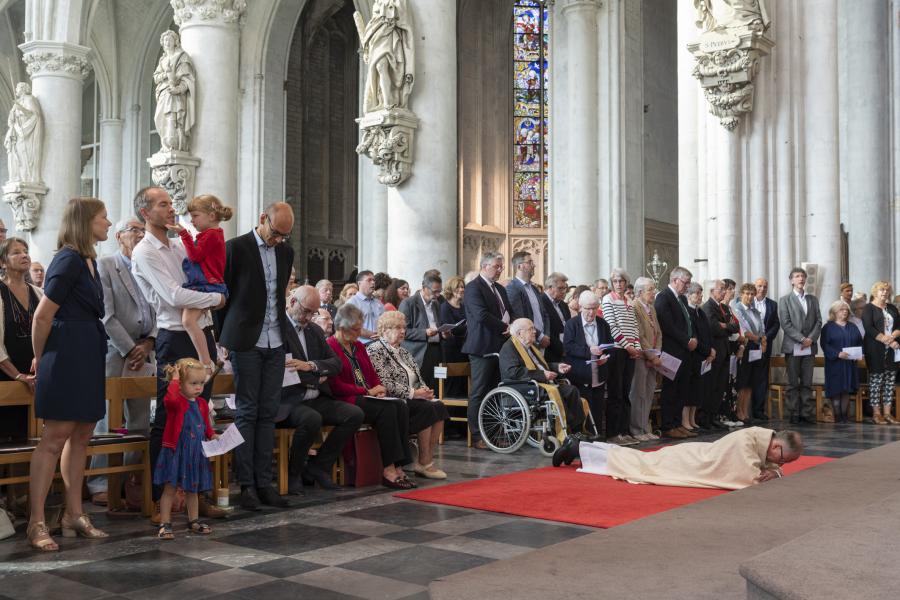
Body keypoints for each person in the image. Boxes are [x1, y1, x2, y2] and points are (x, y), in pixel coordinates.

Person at [131, 187, 226, 524]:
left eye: (171, 203)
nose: (172, 209)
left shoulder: (175, 243)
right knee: (171, 418)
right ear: (145, 212)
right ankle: (163, 502)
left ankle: (196, 497)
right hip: (175, 337)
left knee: (200, 416)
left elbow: (199, 277)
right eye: (163, 204)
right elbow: (173, 295)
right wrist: (216, 300)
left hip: (202, 332)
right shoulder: (145, 251)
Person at [27, 197, 111, 551]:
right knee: (55, 437)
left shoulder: (89, 260)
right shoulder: (67, 259)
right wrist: (41, 358)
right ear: (85, 222)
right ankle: (36, 522)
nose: (108, 223)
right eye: (103, 218)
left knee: (82, 435)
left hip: (87, 351)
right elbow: (42, 316)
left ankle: (73, 514)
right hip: (65, 354)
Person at [218, 201, 294, 510]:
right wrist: (225, 340)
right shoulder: (235, 247)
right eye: (276, 233)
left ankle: (266, 483)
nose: (278, 240)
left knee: (268, 412)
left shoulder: (285, 253)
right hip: (245, 340)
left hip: (276, 341)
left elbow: (278, 298)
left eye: (284, 236)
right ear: (263, 218)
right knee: (248, 412)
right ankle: (247, 485)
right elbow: (224, 297)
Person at [88, 217, 157, 508]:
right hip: (116, 351)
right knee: (108, 419)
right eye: (135, 230)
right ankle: (101, 482)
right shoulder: (105, 265)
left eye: (143, 230)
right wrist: (130, 349)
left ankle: (129, 480)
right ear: (119, 236)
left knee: (140, 420)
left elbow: (159, 304)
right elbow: (105, 314)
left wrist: (150, 340)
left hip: (145, 348)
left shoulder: (148, 264)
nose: (141, 235)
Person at [278, 285, 362, 493]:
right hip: (289, 399)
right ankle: (294, 473)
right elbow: (286, 370)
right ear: (292, 302)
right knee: (311, 419)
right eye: (306, 311)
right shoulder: (278, 330)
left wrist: (311, 367)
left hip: (315, 397)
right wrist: (318, 375)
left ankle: (318, 467)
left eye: (313, 313)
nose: (308, 317)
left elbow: (336, 364)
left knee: (353, 414)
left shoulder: (314, 330)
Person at [326, 304, 417, 489]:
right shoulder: (331, 346)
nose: (360, 333)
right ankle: (388, 468)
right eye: (356, 329)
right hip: (347, 398)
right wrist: (367, 391)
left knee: (399, 405)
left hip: (367, 395)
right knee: (387, 410)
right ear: (342, 328)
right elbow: (336, 386)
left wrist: (378, 387)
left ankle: (399, 466)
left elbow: (372, 373)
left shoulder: (358, 345)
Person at [554, 427, 804, 490]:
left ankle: (582, 448)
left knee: (640, 460)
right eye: (783, 459)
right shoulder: (747, 442)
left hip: (694, 456)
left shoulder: (764, 441)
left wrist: (777, 472)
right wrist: (774, 474)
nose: (780, 464)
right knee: (639, 464)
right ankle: (578, 447)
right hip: (690, 462)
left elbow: (770, 469)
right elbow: (752, 480)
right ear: (776, 444)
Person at [368, 312, 449, 478]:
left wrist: (425, 391)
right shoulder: (375, 350)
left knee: (439, 406)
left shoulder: (404, 351)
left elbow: (418, 377)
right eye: (398, 328)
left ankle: (426, 459)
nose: (403, 331)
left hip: (414, 397)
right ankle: (425, 463)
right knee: (426, 408)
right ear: (384, 330)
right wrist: (414, 393)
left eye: (404, 328)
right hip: (396, 400)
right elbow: (384, 382)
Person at [167, 194, 231, 375]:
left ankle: (206, 363)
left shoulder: (211, 235)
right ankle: (209, 359)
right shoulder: (212, 234)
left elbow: (195, 255)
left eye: (195, 216)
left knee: (188, 321)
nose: (192, 220)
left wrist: (184, 234)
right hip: (206, 284)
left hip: (207, 285)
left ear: (211, 216)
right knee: (195, 322)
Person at [154, 358, 217, 540]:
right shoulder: (176, 403)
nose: (198, 388)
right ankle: (165, 523)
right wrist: (174, 379)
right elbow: (171, 398)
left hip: (195, 452)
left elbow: (205, 424)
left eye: (201, 383)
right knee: (170, 489)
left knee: (193, 489)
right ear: (180, 384)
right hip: (176, 452)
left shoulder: (201, 404)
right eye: (193, 383)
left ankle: (194, 520)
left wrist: (212, 435)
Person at [461, 251, 513, 449]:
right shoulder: (473, 287)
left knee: (497, 390)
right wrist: (504, 327)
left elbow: (508, 310)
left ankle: (492, 433)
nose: (500, 270)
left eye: (501, 267)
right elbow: (481, 315)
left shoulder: (499, 288)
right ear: (484, 266)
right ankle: (476, 436)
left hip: (500, 346)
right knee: (479, 391)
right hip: (482, 346)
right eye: (496, 266)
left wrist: (515, 325)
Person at [501, 318, 585, 437]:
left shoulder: (530, 346)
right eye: (531, 329)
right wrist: (542, 375)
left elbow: (542, 366)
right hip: (525, 388)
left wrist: (557, 367)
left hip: (540, 385)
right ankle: (568, 432)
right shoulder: (509, 348)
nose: (535, 332)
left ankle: (577, 432)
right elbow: (514, 372)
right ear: (520, 333)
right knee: (566, 392)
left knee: (572, 391)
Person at [0, 238, 41, 443]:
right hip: (5, 376)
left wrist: (41, 357)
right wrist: (17, 375)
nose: (24, 255)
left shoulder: (39, 293)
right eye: (16, 252)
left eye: (25, 251)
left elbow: (49, 333)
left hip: (35, 376)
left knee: (30, 436)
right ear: (3, 263)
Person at [654, 267, 699, 439]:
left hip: (685, 351)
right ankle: (668, 425)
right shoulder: (664, 297)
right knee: (671, 390)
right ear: (675, 280)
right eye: (685, 283)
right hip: (672, 350)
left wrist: (693, 337)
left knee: (682, 389)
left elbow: (689, 321)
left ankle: (677, 424)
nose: (687, 287)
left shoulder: (681, 299)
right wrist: (686, 340)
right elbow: (667, 324)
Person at [564, 291, 614, 440]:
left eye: (594, 308)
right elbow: (568, 347)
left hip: (599, 373)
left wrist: (605, 356)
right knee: (582, 409)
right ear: (580, 307)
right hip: (580, 374)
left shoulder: (603, 324)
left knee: (598, 408)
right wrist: (589, 351)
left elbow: (610, 345)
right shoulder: (572, 324)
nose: (591, 312)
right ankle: (582, 439)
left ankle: (597, 437)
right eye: (587, 308)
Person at [601, 269, 642, 444]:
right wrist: (628, 346)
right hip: (617, 350)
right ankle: (613, 433)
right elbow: (611, 326)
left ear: (626, 283)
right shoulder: (607, 299)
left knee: (626, 392)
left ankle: (625, 431)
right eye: (615, 281)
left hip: (629, 351)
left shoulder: (629, 302)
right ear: (612, 283)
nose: (618, 284)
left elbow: (634, 326)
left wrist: (636, 347)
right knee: (615, 392)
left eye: (621, 281)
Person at [777, 267, 822, 424]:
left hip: (809, 347)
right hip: (793, 346)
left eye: (803, 276)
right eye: (797, 276)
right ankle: (793, 413)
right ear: (791, 280)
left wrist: (810, 338)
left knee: (807, 382)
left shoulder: (813, 300)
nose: (801, 279)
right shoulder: (785, 300)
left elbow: (818, 321)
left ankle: (806, 413)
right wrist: (802, 338)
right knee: (793, 383)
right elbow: (785, 323)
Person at [861, 281, 900, 425]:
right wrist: (887, 340)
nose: (885, 292)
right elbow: (869, 328)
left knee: (890, 381)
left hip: (892, 349)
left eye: (887, 290)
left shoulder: (892, 308)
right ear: (875, 292)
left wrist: (894, 338)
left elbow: (899, 325)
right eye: (882, 290)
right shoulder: (868, 308)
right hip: (875, 348)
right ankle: (877, 414)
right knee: (876, 381)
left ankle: (888, 413)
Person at [399, 272, 444, 388]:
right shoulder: (408, 303)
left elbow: (438, 325)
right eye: (435, 291)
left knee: (436, 385)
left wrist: (444, 333)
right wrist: (424, 332)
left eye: (440, 291)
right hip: (418, 353)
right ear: (424, 288)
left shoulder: (436, 304)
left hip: (436, 350)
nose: (438, 294)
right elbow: (402, 331)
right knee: (419, 387)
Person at [629, 277, 661, 440]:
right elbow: (639, 335)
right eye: (650, 289)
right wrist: (651, 354)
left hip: (652, 357)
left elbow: (658, 333)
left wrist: (657, 353)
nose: (654, 292)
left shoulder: (651, 308)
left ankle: (645, 427)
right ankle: (636, 429)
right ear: (640, 292)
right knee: (638, 393)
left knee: (649, 392)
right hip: (641, 356)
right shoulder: (634, 306)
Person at [153, 30, 195, 152]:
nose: (167, 42)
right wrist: (166, 75)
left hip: (175, 94)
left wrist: (178, 89)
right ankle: (165, 145)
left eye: (170, 39)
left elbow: (187, 78)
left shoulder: (182, 57)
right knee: (160, 118)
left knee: (174, 118)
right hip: (163, 93)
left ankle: (175, 144)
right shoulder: (163, 60)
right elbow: (156, 77)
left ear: (175, 41)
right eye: (165, 40)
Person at [821, 300, 862, 423]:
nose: (845, 311)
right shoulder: (828, 327)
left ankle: (844, 416)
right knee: (836, 389)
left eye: (846, 310)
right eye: (842, 309)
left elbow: (860, 342)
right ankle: (837, 415)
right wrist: (837, 354)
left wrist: (858, 354)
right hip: (835, 363)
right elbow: (824, 344)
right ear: (834, 312)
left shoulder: (852, 327)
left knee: (846, 390)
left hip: (849, 363)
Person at [732, 283, 766, 425]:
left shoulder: (756, 311)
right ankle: (739, 412)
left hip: (756, 348)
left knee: (751, 382)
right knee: (743, 381)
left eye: (752, 294)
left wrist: (763, 343)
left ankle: (746, 412)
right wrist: (758, 338)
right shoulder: (737, 309)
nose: (750, 296)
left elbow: (762, 329)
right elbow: (744, 331)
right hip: (745, 347)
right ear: (741, 294)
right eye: (747, 293)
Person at [701, 280, 733, 429]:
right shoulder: (708, 307)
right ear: (712, 291)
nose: (724, 292)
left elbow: (735, 325)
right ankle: (705, 418)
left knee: (720, 387)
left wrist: (726, 325)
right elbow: (714, 328)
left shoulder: (724, 307)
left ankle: (713, 416)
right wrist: (727, 326)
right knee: (711, 386)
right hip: (714, 351)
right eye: (721, 289)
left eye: (724, 289)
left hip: (725, 350)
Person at [506, 251, 551, 351]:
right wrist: (540, 336)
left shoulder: (534, 288)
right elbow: (520, 317)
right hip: (528, 340)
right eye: (530, 262)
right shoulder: (513, 288)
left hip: (542, 341)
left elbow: (545, 314)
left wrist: (546, 335)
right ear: (519, 266)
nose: (534, 265)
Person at [686, 282, 714, 431]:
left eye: (700, 293)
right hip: (694, 355)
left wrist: (711, 350)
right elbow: (694, 335)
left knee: (698, 390)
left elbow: (707, 334)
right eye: (696, 293)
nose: (699, 296)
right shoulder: (688, 312)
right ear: (689, 295)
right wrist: (707, 351)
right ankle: (686, 420)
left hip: (704, 355)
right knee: (690, 390)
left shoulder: (700, 312)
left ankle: (692, 418)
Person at [752, 278, 780, 421]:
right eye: (759, 286)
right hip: (749, 345)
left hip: (764, 345)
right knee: (748, 377)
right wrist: (754, 337)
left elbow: (776, 324)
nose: (762, 289)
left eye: (764, 286)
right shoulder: (747, 301)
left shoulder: (772, 304)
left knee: (762, 378)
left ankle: (758, 409)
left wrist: (765, 338)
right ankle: (746, 410)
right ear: (754, 287)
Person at [439, 275, 468, 397]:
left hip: (464, 348)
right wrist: (465, 327)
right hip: (451, 350)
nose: (461, 290)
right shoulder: (445, 306)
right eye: (458, 287)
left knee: (463, 383)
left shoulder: (464, 306)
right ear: (450, 290)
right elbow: (451, 328)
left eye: (462, 287)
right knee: (452, 383)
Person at [540, 272, 570, 364]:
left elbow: (568, 326)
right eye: (560, 288)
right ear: (550, 287)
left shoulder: (563, 305)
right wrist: (561, 349)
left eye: (565, 288)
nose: (564, 291)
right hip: (549, 351)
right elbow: (545, 329)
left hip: (566, 350)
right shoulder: (541, 302)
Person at [347, 270, 384, 343]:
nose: (373, 282)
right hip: (362, 345)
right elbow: (351, 326)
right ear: (359, 283)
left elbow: (385, 322)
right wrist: (373, 335)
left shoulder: (378, 302)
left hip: (380, 343)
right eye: (369, 280)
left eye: (374, 280)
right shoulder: (352, 303)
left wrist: (382, 334)